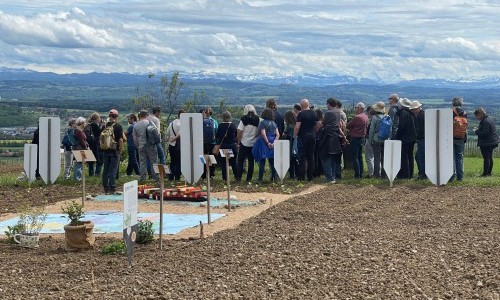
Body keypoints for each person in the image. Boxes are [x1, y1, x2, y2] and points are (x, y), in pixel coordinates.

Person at [294, 99, 320, 181]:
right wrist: (314, 132)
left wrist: (295, 136)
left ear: (301, 106)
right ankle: (310, 176)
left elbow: (297, 127)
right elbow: (318, 125)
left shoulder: (300, 114)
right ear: (308, 104)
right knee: (311, 156)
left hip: (303, 137)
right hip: (312, 136)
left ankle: (301, 176)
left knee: (302, 157)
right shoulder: (314, 113)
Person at [319, 98, 344, 183]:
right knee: (333, 157)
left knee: (325, 157)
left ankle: (329, 177)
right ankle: (333, 176)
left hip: (328, 136)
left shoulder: (328, 113)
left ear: (329, 104)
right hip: (336, 136)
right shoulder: (338, 112)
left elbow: (323, 124)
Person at [253, 108, 279, 183]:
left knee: (262, 161)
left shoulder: (263, 123)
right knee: (272, 161)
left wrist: (267, 143)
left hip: (264, 143)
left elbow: (263, 133)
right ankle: (273, 178)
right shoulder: (274, 123)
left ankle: (260, 179)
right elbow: (277, 134)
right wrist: (274, 143)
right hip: (272, 143)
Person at [133, 110, 159, 183]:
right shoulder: (150, 122)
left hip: (141, 145)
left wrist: (138, 146)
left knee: (142, 163)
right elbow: (156, 132)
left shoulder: (136, 125)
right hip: (151, 145)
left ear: (140, 116)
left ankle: (143, 178)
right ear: (146, 115)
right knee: (154, 162)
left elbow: (135, 138)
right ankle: (155, 179)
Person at [102, 109, 123, 194]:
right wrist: (120, 150)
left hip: (106, 150)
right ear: (117, 116)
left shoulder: (105, 126)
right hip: (114, 151)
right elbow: (120, 140)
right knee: (113, 171)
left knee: (105, 170)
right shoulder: (118, 126)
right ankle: (112, 188)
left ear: (109, 116)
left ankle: (106, 188)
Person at [236, 105, 260, 182]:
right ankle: (249, 178)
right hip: (253, 143)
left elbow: (239, 131)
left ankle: (238, 177)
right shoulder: (257, 119)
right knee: (251, 162)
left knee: (240, 161)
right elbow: (259, 131)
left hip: (244, 142)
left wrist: (238, 141)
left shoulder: (243, 119)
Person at [473, 107, 499, 177]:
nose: (476, 117)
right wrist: (479, 129)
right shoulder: (488, 118)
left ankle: (485, 174)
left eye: (477, 115)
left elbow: (485, 134)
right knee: (489, 157)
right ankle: (489, 173)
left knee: (486, 158)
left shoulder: (485, 121)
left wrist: (476, 131)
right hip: (491, 141)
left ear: (481, 114)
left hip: (487, 143)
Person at [395, 98, 416, 179]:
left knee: (404, 157)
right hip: (412, 138)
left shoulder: (403, 113)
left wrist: (397, 136)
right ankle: (410, 174)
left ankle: (404, 175)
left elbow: (401, 126)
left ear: (402, 105)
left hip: (405, 138)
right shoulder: (411, 113)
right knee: (410, 156)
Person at [346, 102, 368, 179]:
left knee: (354, 157)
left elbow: (348, 125)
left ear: (359, 108)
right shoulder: (365, 116)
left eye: (356, 107)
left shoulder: (357, 117)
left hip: (355, 138)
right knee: (360, 156)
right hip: (362, 138)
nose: (355, 109)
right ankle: (361, 173)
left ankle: (357, 174)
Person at [215, 111, 238, 181]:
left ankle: (225, 178)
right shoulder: (233, 125)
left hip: (224, 146)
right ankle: (236, 176)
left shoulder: (220, 125)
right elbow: (236, 135)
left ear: (223, 117)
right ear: (230, 117)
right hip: (232, 146)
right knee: (233, 162)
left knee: (224, 162)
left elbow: (217, 136)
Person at [368, 101, 386, 178]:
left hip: (376, 139)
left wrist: (370, 140)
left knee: (377, 158)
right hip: (385, 139)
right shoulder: (387, 117)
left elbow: (371, 130)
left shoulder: (375, 118)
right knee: (384, 158)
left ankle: (376, 174)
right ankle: (384, 174)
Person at [451, 97, 467, 181]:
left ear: (453, 103)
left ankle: (452, 176)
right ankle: (460, 177)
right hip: (461, 137)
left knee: (451, 157)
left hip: (451, 137)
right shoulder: (464, 113)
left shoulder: (451, 112)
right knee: (459, 157)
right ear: (461, 103)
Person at [166, 110, 184, 181]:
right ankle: (177, 176)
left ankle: (171, 176)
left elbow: (167, 133)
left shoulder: (171, 123)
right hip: (179, 145)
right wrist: (175, 138)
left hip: (171, 145)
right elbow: (181, 134)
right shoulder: (183, 123)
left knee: (172, 161)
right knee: (179, 161)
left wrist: (171, 139)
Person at [410, 101, 426, 180]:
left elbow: (420, 130)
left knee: (420, 157)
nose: (412, 111)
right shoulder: (422, 114)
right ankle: (422, 173)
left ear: (417, 108)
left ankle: (422, 174)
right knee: (418, 157)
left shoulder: (420, 116)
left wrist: (416, 137)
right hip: (422, 139)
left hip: (422, 139)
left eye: (413, 109)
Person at [73, 117, 90, 181]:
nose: (85, 123)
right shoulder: (79, 131)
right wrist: (86, 147)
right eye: (85, 122)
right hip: (81, 149)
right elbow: (82, 141)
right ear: (82, 123)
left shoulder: (78, 131)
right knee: (79, 163)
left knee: (81, 163)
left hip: (80, 149)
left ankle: (78, 177)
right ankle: (77, 178)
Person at [283, 110, 299, 179]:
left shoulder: (289, 126)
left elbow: (286, 134)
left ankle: (292, 175)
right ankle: (297, 174)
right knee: (295, 159)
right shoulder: (296, 124)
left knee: (290, 160)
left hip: (290, 143)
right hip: (296, 143)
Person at [86, 112, 102, 177]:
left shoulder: (89, 125)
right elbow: (99, 133)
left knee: (91, 161)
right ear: (96, 118)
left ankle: (91, 174)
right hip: (95, 144)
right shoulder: (94, 125)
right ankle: (97, 174)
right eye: (99, 117)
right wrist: (103, 126)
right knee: (99, 160)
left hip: (90, 144)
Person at [364, 105, 374, 178]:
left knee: (369, 158)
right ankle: (377, 171)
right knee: (377, 157)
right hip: (378, 140)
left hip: (369, 140)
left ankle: (371, 173)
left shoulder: (370, 120)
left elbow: (369, 131)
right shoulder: (380, 118)